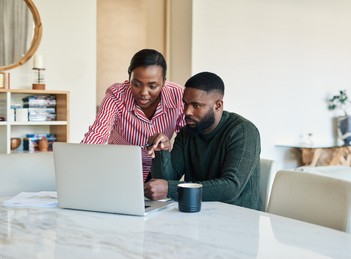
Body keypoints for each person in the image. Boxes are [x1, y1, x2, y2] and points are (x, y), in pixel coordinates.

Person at [144, 71, 262, 210]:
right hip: (197, 214)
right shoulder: (187, 132)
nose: (187, 112)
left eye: (196, 105)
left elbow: (231, 187)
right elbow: (167, 180)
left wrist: (170, 189)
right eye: (185, 104)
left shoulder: (243, 131)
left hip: (238, 220)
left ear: (218, 105)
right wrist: (162, 151)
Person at [82, 49, 185, 181]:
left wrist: (167, 148)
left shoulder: (178, 95)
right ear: (129, 76)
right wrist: (82, 162)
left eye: (152, 86)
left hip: (160, 172)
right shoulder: (117, 95)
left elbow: (186, 139)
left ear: (164, 82)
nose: (144, 92)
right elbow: (97, 134)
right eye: (136, 84)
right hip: (118, 170)